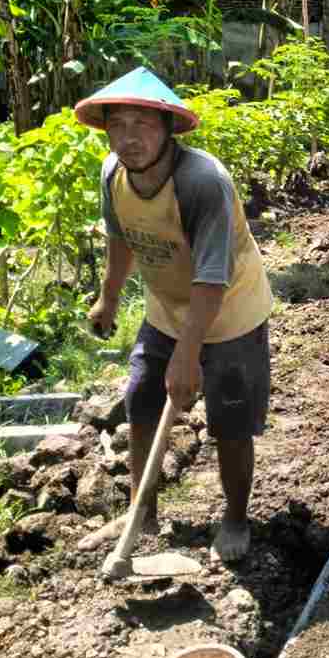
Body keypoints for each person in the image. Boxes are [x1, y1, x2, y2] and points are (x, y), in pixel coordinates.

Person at [76, 67, 274, 563]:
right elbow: (121, 237)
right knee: (142, 399)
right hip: (167, 308)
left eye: (141, 125)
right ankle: (143, 513)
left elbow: (212, 280)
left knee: (230, 419)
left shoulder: (201, 182)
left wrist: (188, 359)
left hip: (229, 311)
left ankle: (234, 517)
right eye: (117, 125)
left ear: (166, 128)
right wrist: (110, 297)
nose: (129, 138)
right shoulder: (113, 174)